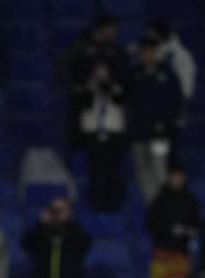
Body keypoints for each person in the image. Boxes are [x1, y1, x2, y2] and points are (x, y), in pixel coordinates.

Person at [128, 36, 182, 202]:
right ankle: (151, 203)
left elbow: (176, 101)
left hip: (161, 133)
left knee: (160, 167)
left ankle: (163, 203)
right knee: (142, 170)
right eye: (145, 52)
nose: (148, 55)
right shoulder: (134, 75)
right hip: (138, 132)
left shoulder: (168, 74)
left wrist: (166, 122)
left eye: (152, 51)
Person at [75, 61, 127, 212]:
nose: (101, 74)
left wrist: (108, 88)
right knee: (96, 170)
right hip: (93, 133)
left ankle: (114, 203)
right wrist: (92, 88)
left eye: (104, 71)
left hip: (113, 133)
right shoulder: (87, 87)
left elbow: (120, 99)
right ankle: (96, 202)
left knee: (113, 169)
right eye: (98, 71)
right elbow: (85, 104)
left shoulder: (116, 86)